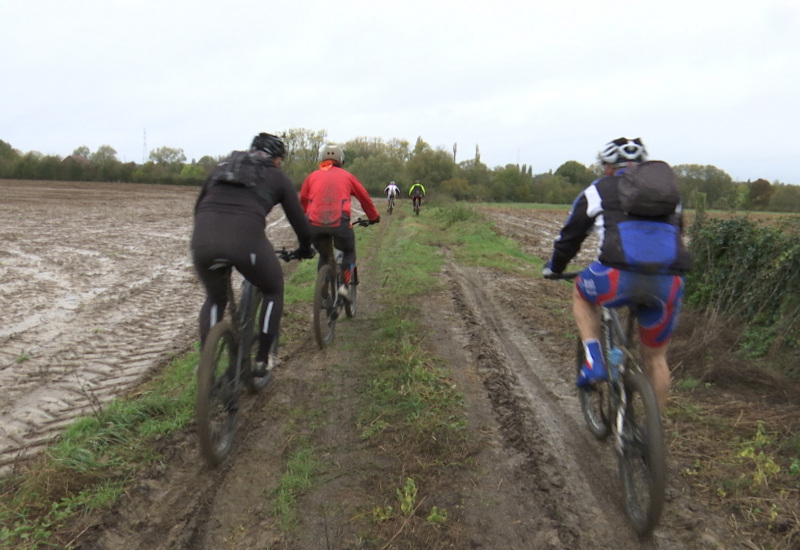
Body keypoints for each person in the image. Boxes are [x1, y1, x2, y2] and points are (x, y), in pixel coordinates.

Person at [543, 137, 692, 409]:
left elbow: (570, 237)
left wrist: (554, 268)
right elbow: (676, 235)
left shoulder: (598, 189)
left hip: (615, 278)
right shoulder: (670, 195)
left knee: (581, 293)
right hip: (668, 282)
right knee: (656, 358)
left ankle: (593, 361)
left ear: (608, 166)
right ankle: (651, 432)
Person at [191, 132, 314, 375]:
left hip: (203, 239)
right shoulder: (276, 176)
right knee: (273, 289)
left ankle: (206, 364)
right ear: (276, 158)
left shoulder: (221, 167)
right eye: (281, 159)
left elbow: (198, 208)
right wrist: (305, 248)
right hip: (245, 241)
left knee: (215, 299)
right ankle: (263, 358)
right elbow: (300, 223)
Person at [299, 144, 380, 300]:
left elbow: (302, 199)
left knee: (324, 255)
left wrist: (303, 218)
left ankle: (323, 287)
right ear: (341, 160)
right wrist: (373, 217)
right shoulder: (347, 176)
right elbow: (364, 198)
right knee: (349, 252)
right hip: (340, 224)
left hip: (314, 224)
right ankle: (343, 286)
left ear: (322, 159)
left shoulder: (312, 176)